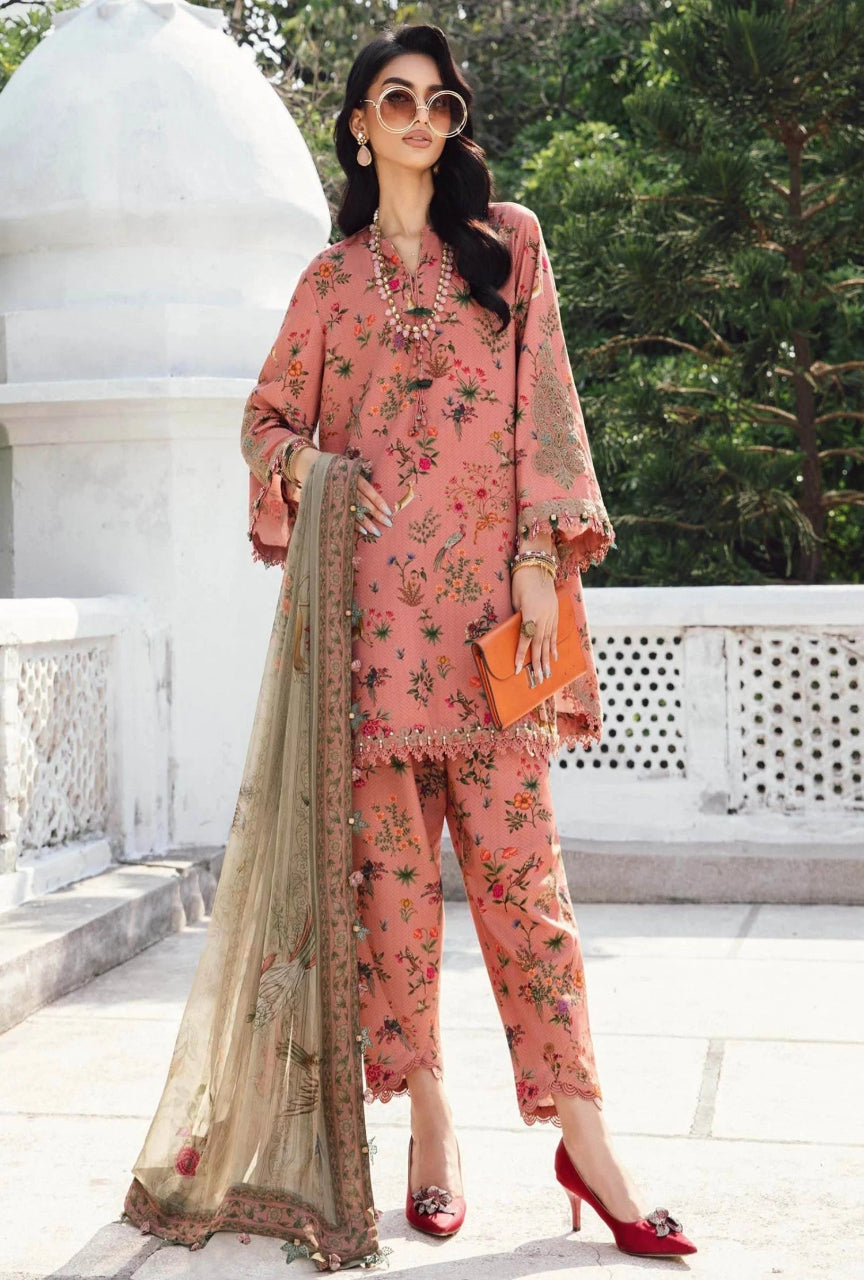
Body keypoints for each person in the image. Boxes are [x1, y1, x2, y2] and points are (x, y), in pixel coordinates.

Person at [241, 21, 697, 1259]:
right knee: (390, 898)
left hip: (500, 627)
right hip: (371, 635)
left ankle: (586, 1139)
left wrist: (544, 559)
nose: (423, 122)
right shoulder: (330, 282)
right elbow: (266, 421)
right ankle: (430, 1128)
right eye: (398, 101)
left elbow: (545, 401)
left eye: (442, 104)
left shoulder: (512, 246)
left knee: (526, 893)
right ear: (357, 122)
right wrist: (317, 466)